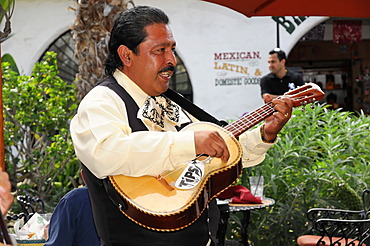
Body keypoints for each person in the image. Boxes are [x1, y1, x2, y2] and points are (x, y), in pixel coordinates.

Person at [70, 6, 294, 246]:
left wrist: (264, 134)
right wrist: (190, 143)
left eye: (172, 49)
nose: (171, 60)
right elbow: (105, 153)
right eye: (160, 50)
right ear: (126, 55)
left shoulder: (171, 104)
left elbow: (219, 153)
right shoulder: (101, 101)